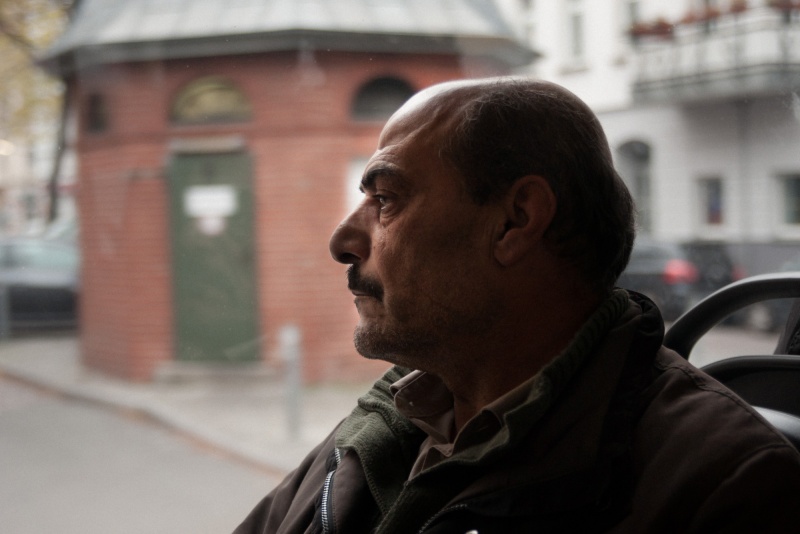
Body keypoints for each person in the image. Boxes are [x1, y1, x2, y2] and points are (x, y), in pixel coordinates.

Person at [235, 78, 800, 534]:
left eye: (385, 199)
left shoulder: (724, 485)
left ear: (515, 221)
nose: (342, 242)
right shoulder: (388, 418)